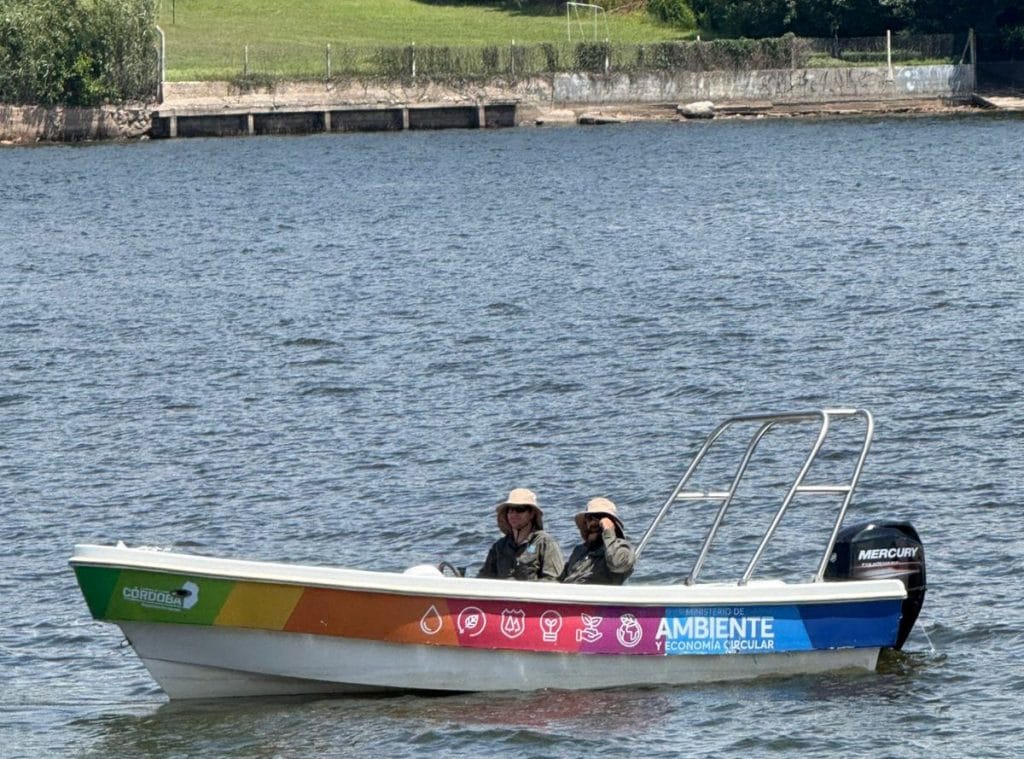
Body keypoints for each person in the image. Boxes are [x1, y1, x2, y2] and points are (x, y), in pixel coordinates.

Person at [477, 488, 564, 581]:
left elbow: (553, 579)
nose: (514, 514)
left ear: (531, 514)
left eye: (520, 509)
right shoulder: (499, 547)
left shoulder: (545, 542)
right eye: (510, 510)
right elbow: (484, 577)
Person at [559, 497, 635, 585]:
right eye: (589, 518)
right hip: (567, 594)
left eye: (598, 518)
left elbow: (618, 564)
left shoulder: (622, 549)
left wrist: (608, 530)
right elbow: (560, 579)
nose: (592, 524)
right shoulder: (579, 551)